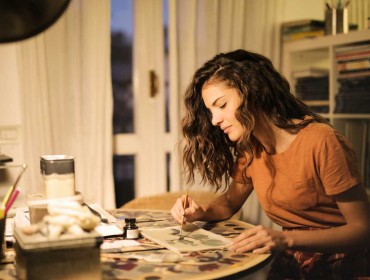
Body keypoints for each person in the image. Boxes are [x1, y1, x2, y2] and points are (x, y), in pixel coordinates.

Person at [170, 49, 370, 279]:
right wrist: (200, 212)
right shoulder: (250, 145)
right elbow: (229, 203)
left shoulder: (322, 141)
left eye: (222, 105)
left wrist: (284, 238)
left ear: (252, 91)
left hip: (342, 263)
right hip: (292, 259)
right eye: (210, 111)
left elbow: (363, 230)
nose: (215, 120)